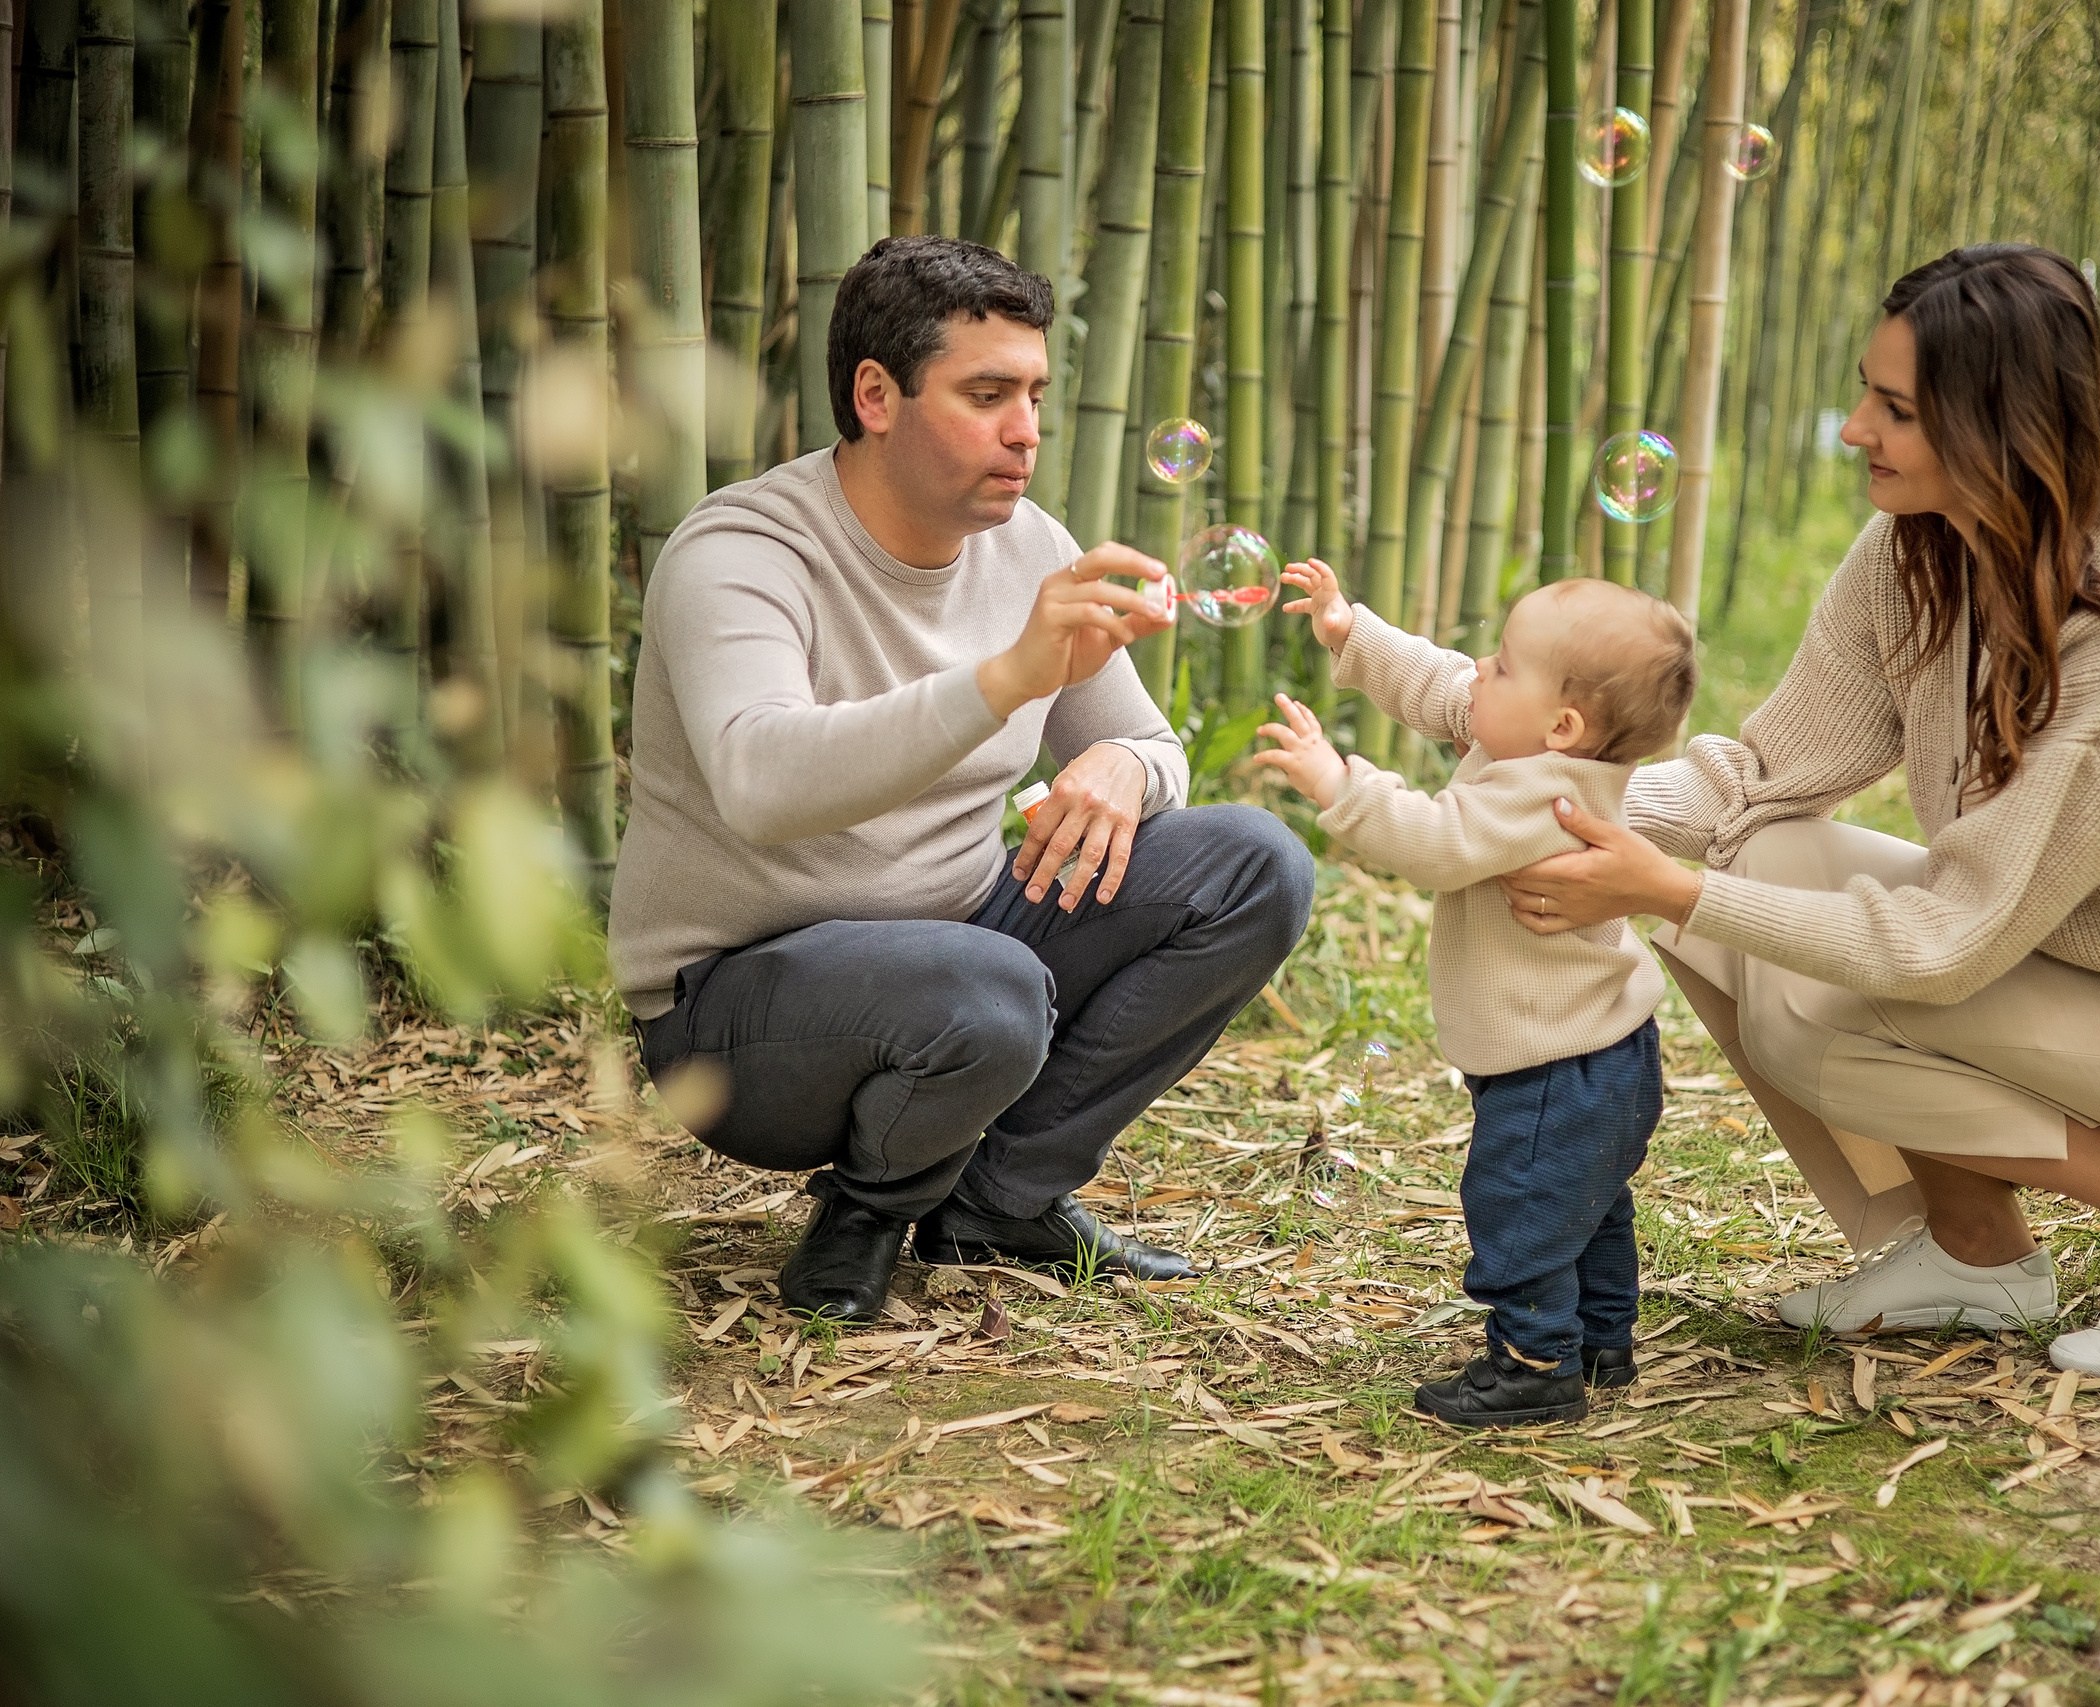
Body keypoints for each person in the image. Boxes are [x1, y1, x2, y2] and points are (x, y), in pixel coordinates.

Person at [1494, 244, 2100, 1377]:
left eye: (1896, 410)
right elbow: (1759, 777)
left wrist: (1673, 887)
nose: (1856, 428)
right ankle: (1974, 1254)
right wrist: (1533, 794)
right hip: (2063, 957)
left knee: (1811, 1014)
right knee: (1762, 860)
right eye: (1868, 392)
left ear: (2003, 424)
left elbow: (1949, 942)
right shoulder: (1915, 549)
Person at [609, 237, 1314, 1322]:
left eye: (1034, 395)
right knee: (985, 989)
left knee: (1256, 864)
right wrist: (1004, 681)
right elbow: (760, 780)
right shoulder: (741, 551)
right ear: (876, 397)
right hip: (740, 1009)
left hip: (967, 940)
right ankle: (869, 1211)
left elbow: (1155, 743)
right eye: (987, 396)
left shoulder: (1028, 545)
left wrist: (1125, 765)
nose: (1024, 430)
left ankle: (1000, 1199)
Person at [1255, 562, 1698, 1426]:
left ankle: (1534, 1364)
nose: (1477, 672)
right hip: (1604, 1050)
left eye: (1501, 664)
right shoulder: (1538, 745)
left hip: (1555, 1064)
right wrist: (1353, 630)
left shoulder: (1545, 794)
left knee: (1522, 1205)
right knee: (1587, 1202)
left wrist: (1339, 783)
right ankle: (1601, 1340)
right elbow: (1440, 682)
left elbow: (1436, 841)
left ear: (1561, 724)